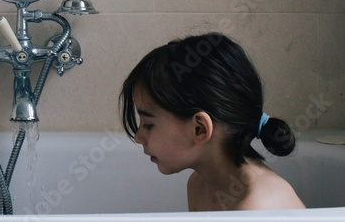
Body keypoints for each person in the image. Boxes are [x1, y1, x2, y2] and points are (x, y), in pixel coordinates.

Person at [120, 32, 305, 211]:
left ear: (199, 129)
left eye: (148, 125)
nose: (138, 137)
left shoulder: (256, 207)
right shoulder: (198, 185)